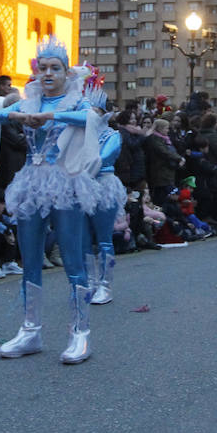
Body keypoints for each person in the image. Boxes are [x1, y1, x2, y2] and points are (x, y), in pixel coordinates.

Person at [0, 38, 102, 363]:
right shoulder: (28, 102)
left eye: (55, 68)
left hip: (66, 183)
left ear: (67, 72)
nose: (48, 74)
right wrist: (18, 118)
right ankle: (30, 330)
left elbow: (92, 120)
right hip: (31, 184)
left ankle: (80, 334)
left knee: (71, 255)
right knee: (30, 257)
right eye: (43, 68)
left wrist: (52, 117)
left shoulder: (76, 101)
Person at [81, 75, 125, 304]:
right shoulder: (79, 136)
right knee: (84, 237)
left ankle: (105, 286)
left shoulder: (113, 135)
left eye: (94, 111)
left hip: (104, 185)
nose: (89, 116)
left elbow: (101, 158)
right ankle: (90, 282)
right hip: (83, 186)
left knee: (104, 238)